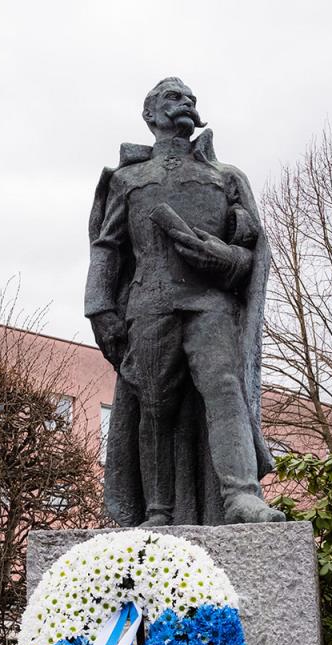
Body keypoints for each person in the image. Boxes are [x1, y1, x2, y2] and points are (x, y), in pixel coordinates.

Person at [85, 76, 283, 527]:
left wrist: (224, 256)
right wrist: (101, 309)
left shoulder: (224, 177)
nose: (187, 103)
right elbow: (108, 247)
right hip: (150, 303)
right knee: (153, 403)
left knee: (224, 387)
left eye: (191, 99)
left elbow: (251, 251)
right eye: (174, 97)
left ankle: (241, 496)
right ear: (150, 114)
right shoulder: (127, 179)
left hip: (209, 302)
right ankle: (158, 509)